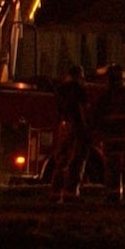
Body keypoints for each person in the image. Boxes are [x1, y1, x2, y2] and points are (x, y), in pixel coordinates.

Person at [89, 64, 125, 203]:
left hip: (112, 138)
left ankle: (113, 194)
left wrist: (98, 133)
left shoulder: (105, 98)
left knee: (112, 167)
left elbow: (96, 117)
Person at [49, 63, 89, 201]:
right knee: (76, 161)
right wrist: (84, 128)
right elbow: (81, 109)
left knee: (61, 161)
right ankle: (71, 193)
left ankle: (55, 193)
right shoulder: (79, 89)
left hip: (63, 126)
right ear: (79, 75)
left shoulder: (60, 89)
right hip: (76, 126)